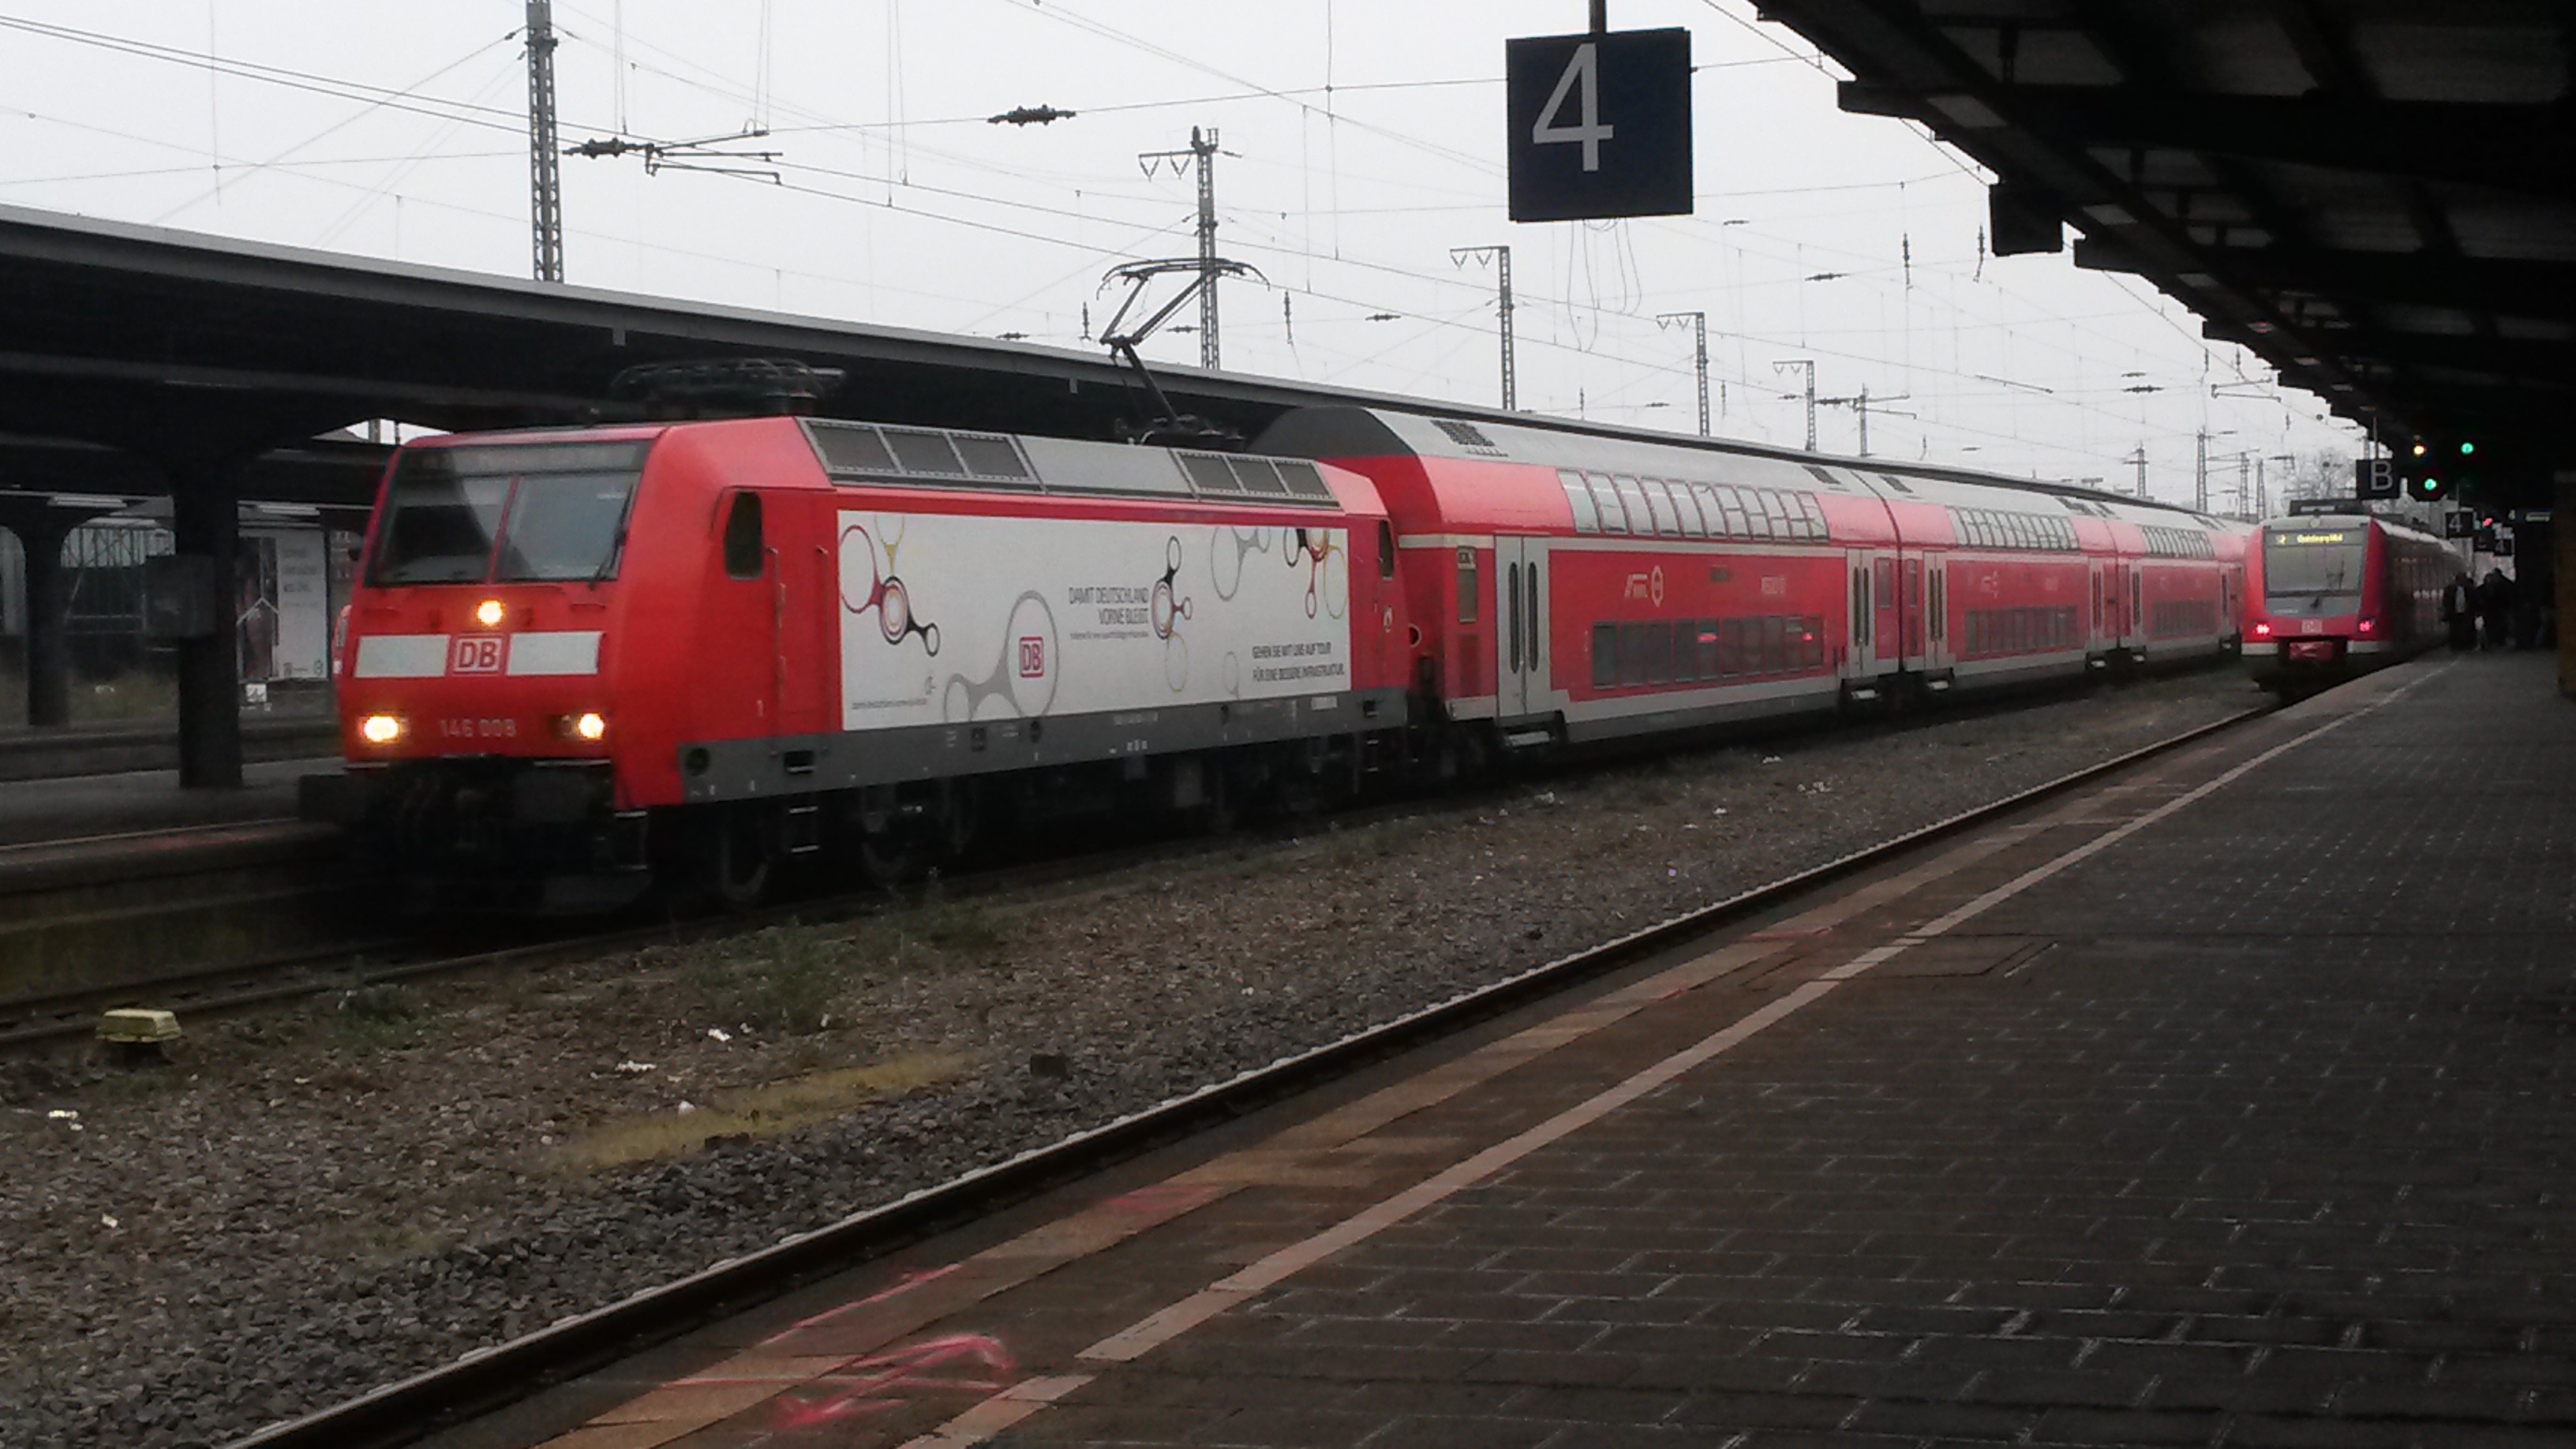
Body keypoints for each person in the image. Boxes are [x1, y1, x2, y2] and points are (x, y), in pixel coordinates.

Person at [2442, 571, 2478, 650]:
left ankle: (2466, 644)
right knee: (2455, 629)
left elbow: (2474, 601)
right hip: (2454, 613)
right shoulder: (2450, 589)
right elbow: (2446, 601)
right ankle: (2457, 645)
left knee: (2466, 629)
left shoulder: (2470, 589)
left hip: (2466, 613)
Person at [2478, 568, 2513, 650]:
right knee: (2496, 625)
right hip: (2496, 609)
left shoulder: (2493, 587)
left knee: (2494, 625)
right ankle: (2496, 641)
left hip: (2494, 609)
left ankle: (2493, 641)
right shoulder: (2503, 584)